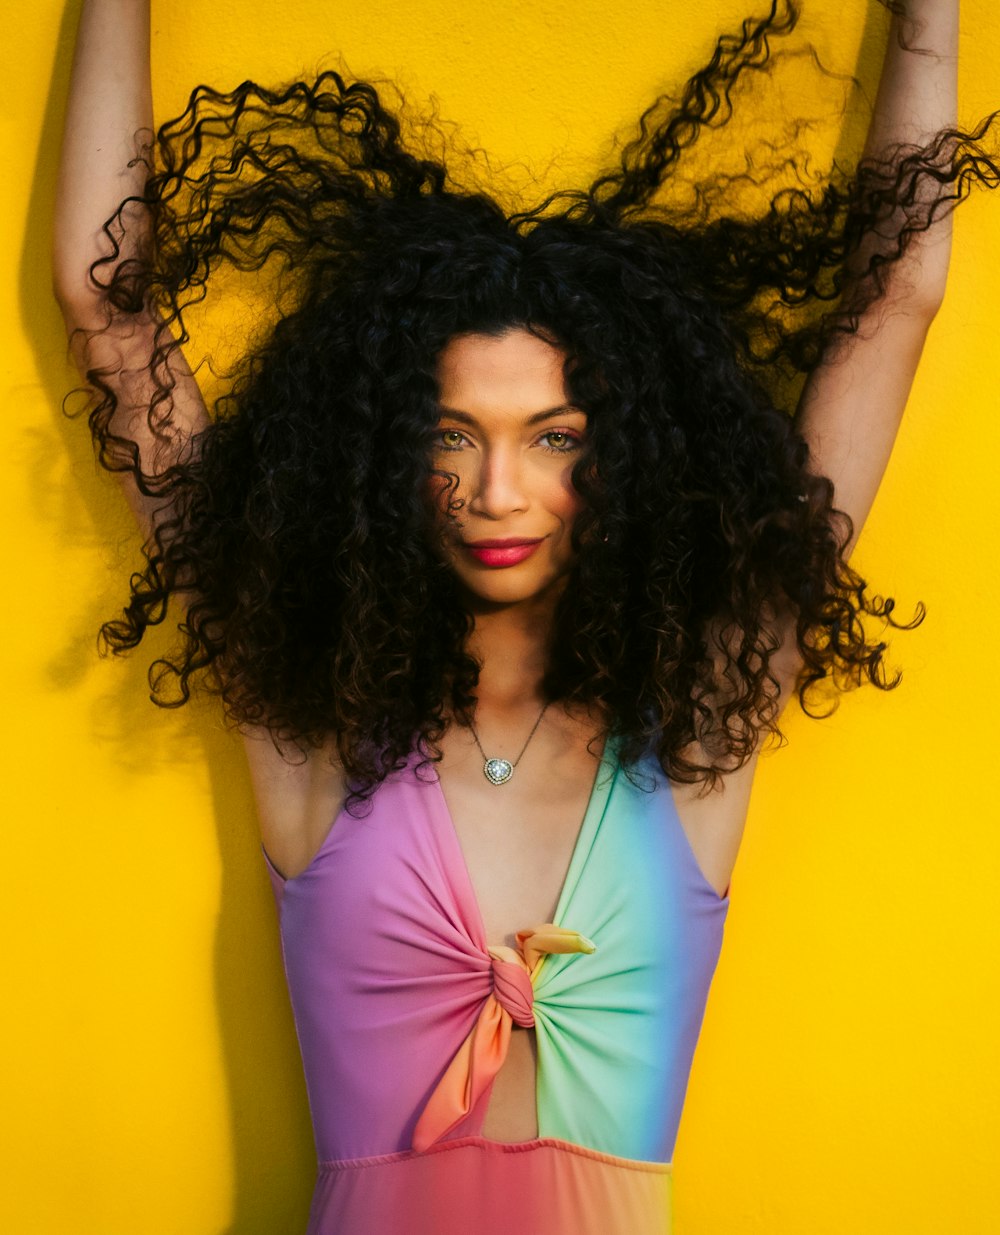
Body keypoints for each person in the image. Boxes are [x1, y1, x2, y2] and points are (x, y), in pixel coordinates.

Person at [51, 0, 997, 1231]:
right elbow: (109, 307)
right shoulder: (311, 730)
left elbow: (896, 303)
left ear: (630, 460)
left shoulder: (698, 735)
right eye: (452, 434)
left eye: (554, 439)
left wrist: (930, 22)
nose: (499, 492)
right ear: (385, 453)